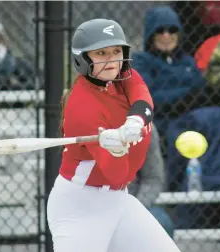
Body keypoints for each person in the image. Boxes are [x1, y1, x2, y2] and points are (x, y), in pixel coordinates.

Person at [46, 18, 181, 252]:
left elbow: (142, 94)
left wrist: (136, 119)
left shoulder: (122, 77)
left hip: (118, 201)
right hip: (80, 209)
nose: (112, 60)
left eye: (116, 51)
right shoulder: (81, 107)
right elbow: (117, 174)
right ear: (83, 59)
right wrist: (117, 149)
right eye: (101, 53)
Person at [132, 6, 207, 138]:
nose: (166, 35)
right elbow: (151, 100)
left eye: (172, 30)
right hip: (162, 122)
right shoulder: (141, 61)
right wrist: (189, 93)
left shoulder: (188, 62)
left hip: (193, 117)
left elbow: (203, 93)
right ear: (151, 34)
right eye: (160, 30)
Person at [128, 124, 175, 238]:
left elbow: (153, 179)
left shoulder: (144, 127)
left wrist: (135, 209)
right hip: (90, 202)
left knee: (161, 222)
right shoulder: (84, 124)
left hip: (133, 201)